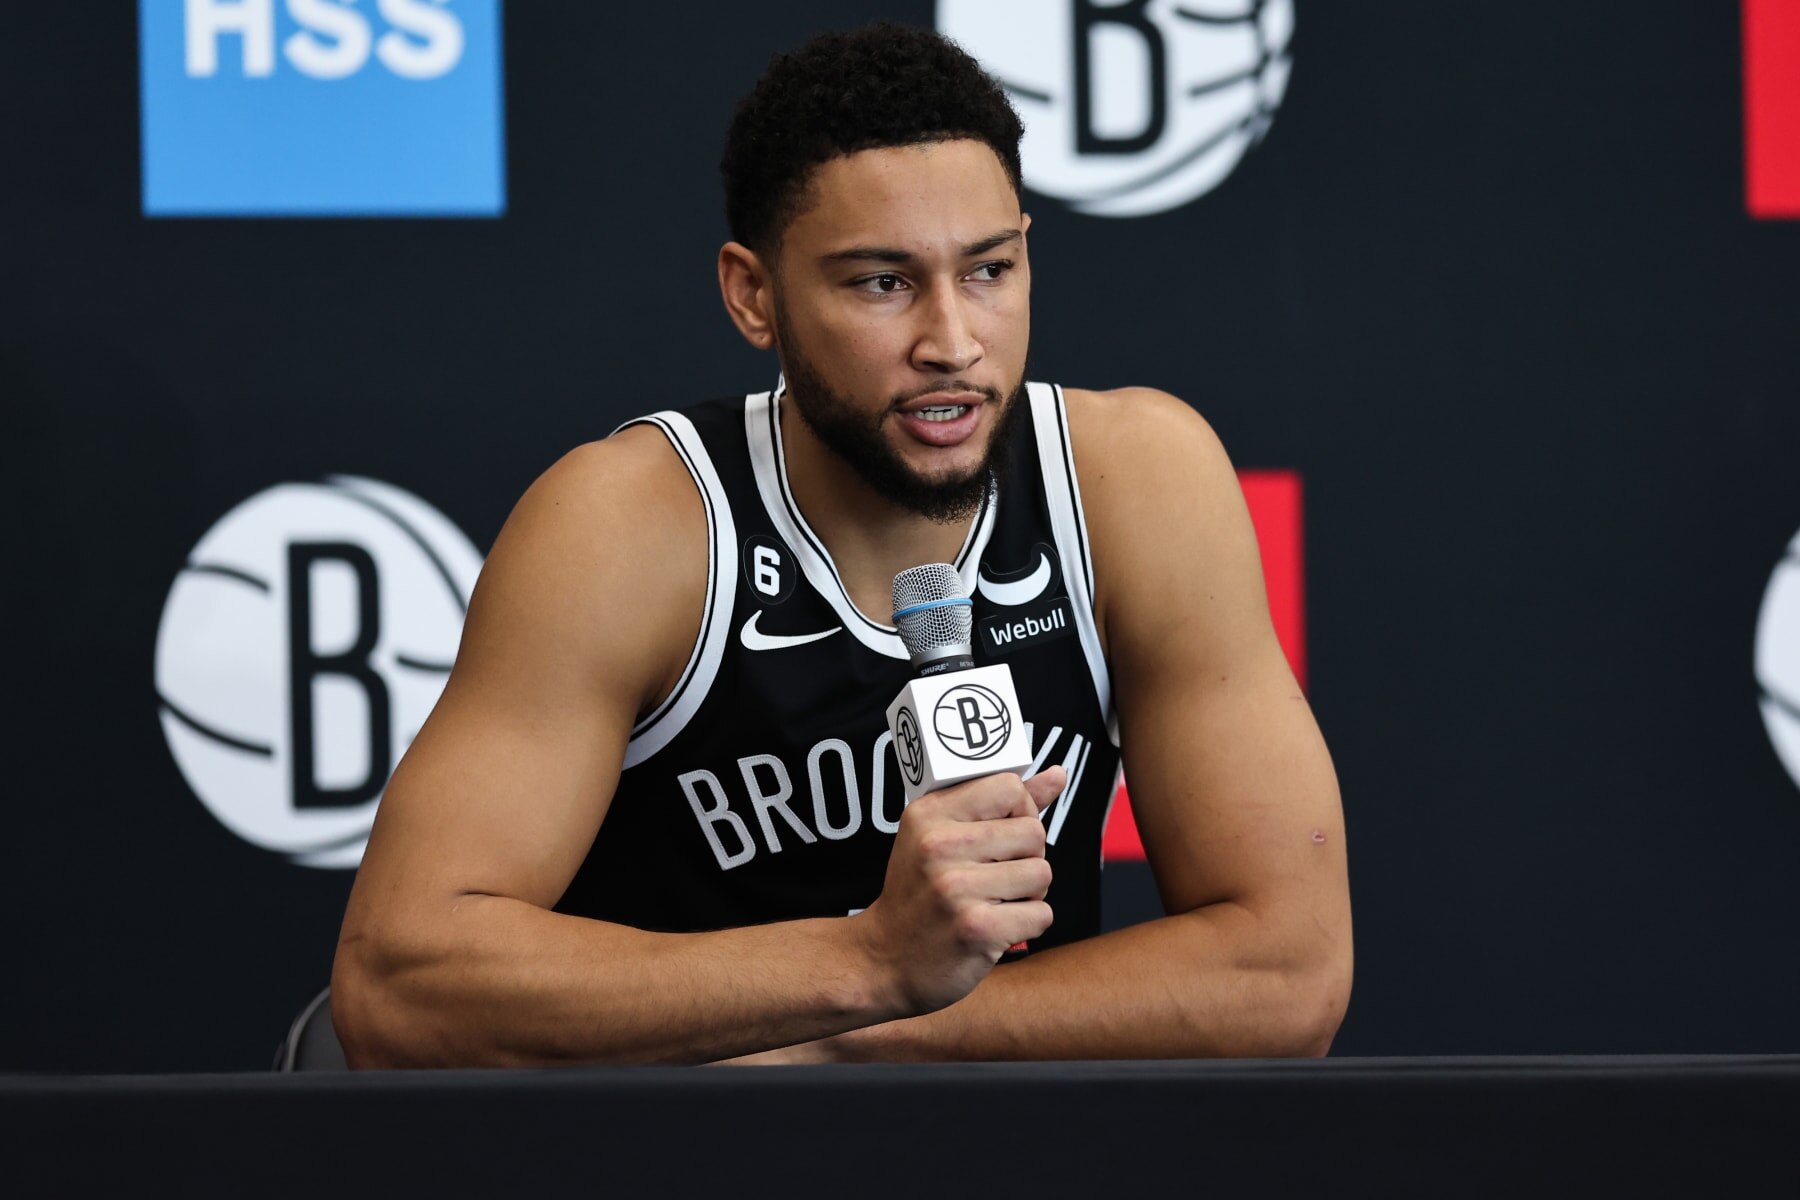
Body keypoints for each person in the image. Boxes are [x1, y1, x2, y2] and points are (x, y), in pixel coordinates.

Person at [331, 23, 1351, 1067]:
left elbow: (1284, 973)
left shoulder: (1135, 481)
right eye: (882, 283)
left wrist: (848, 1037)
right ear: (754, 295)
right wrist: (866, 963)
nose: (952, 342)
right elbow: (397, 986)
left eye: (990, 270)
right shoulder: (630, 525)